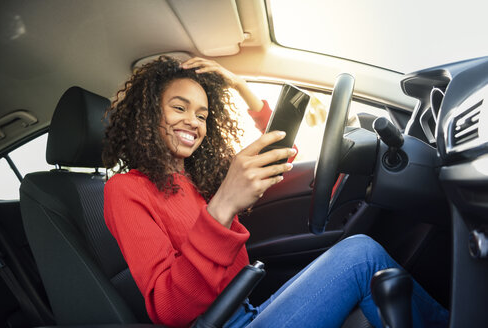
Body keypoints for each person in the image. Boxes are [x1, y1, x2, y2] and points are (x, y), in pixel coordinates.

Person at [102, 56, 448, 328]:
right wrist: (221, 208)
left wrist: (238, 85)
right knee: (362, 257)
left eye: (203, 114)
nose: (193, 121)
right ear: (148, 114)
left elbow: (278, 152)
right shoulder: (126, 190)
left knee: (361, 258)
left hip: (248, 310)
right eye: (179, 108)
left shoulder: (197, 181)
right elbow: (169, 308)